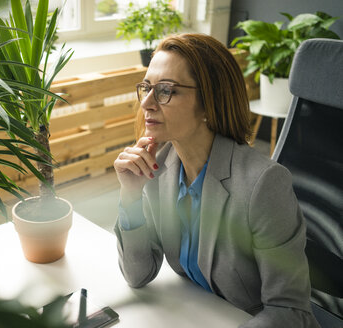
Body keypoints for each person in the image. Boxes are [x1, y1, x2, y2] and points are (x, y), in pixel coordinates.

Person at [113, 33, 320, 328]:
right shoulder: (158, 165)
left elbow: (290, 310)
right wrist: (130, 196)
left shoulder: (263, 184)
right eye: (146, 88)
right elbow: (138, 274)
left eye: (165, 91)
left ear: (210, 103)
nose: (146, 103)